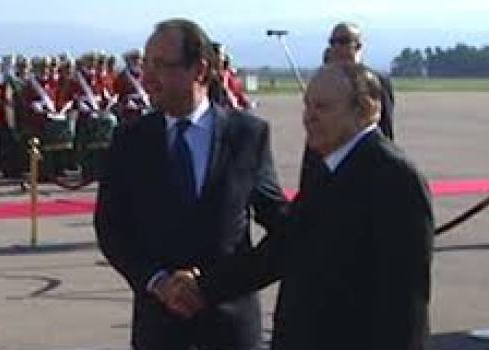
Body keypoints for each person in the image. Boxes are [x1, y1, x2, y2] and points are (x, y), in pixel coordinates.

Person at [163, 63, 434, 350]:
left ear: (365, 111)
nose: (309, 118)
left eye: (323, 107)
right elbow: (281, 249)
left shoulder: (395, 179)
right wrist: (204, 287)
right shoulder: (328, 167)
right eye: (307, 106)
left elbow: (405, 307)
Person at [95, 18, 286, 350]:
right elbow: (111, 226)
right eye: (145, 65)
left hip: (231, 326)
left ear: (199, 70)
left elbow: (278, 220)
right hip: (159, 325)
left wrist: (221, 284)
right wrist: (157, 282)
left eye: (161, 66)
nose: (147, 79)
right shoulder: (129, 140)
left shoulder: (247, 135)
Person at [300, 21, 395, 195]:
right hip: (322, 168)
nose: (336, 47)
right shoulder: (325, 78)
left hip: (359, 171)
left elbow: (385, 128)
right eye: (332, 42)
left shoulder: (376, 81)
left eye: (343, 41)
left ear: (358, 46)